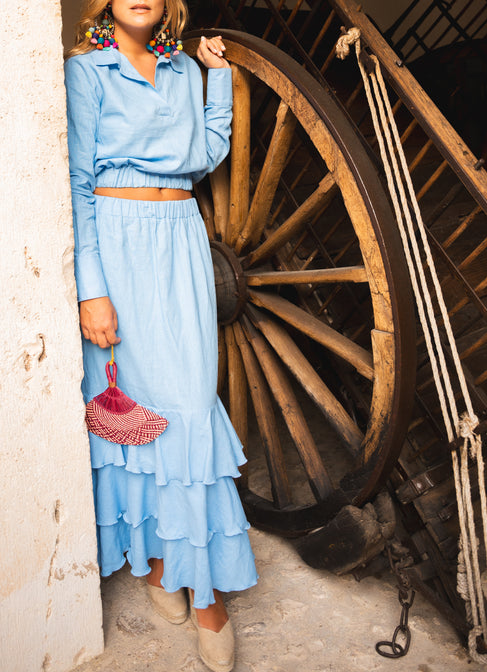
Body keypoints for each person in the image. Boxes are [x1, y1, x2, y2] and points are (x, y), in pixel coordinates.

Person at [64, 2, 258, 671]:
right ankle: (157, 567)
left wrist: (211, 80)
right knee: (135, 415)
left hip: (180, 240)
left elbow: (204, 155)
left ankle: (198, 587)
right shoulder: (86, 72)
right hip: (117, 247)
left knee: (189, 409)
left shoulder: (179, 71)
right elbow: (78, 185)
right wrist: (91, 286)